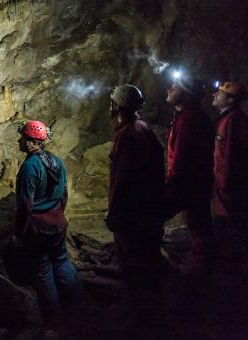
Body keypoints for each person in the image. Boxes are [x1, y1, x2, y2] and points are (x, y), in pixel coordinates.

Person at [107, 84, 166, 324]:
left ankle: (141, 316)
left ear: (117, 105)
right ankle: (150, 310)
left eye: (112, 102)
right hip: (148, 212)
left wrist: (116, 215)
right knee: (147, 262)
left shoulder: (128, 135)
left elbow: (124, 179)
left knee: (134, 264)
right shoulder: (143, 128)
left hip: (133, 216)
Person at [13, 119, 84, 319]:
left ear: (30, 142)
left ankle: (54, 319)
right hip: (57, 223)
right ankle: (78, 304)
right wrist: (58, 215)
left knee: (43, 269)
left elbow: (25, 206)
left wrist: (18, 232)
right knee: (61, 261)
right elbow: (63, 195)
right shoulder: (57, 161)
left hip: (38, 229)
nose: (19, 141)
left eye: (22, 137)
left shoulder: (30, 167)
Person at [164, 74, 215, 278]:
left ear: (185, 94)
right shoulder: (188, 117)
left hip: (188, 183)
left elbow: (182, 158)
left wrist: (172, 184)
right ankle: (200, 271)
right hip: (194, 183)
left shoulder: (189, 120)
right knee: (199, 224)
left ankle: (199, 276)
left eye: (174, 87)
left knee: (199, 227)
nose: (169, 89)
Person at [211, 81, 248, 273]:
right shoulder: (229, 119)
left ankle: (239, 271)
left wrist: (223, 189)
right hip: (228, 190)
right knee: (236, 228)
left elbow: (230, 160)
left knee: (234, 229)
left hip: (231, 192)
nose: (215, 94)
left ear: (230, 100)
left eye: (220, 93)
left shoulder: (232, 121)